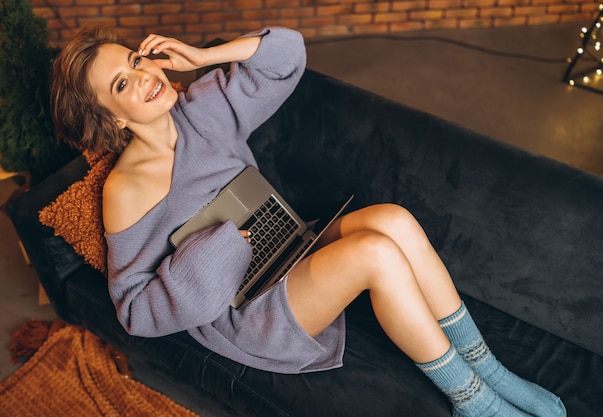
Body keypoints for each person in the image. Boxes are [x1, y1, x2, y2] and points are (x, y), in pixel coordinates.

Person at [51, 24, 566, 417]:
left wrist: (210, 56)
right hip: (249, 309)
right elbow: (137, 312)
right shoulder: (126, 189)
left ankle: (489, 367)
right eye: (123, 83)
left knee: (394, 220)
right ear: (111, 119)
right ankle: (474, 400)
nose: (145, 76)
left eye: (138, 60)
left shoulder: (201, 110)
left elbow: (286, 57)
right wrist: (219, 250)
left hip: (290, 248)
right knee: (376, 254)